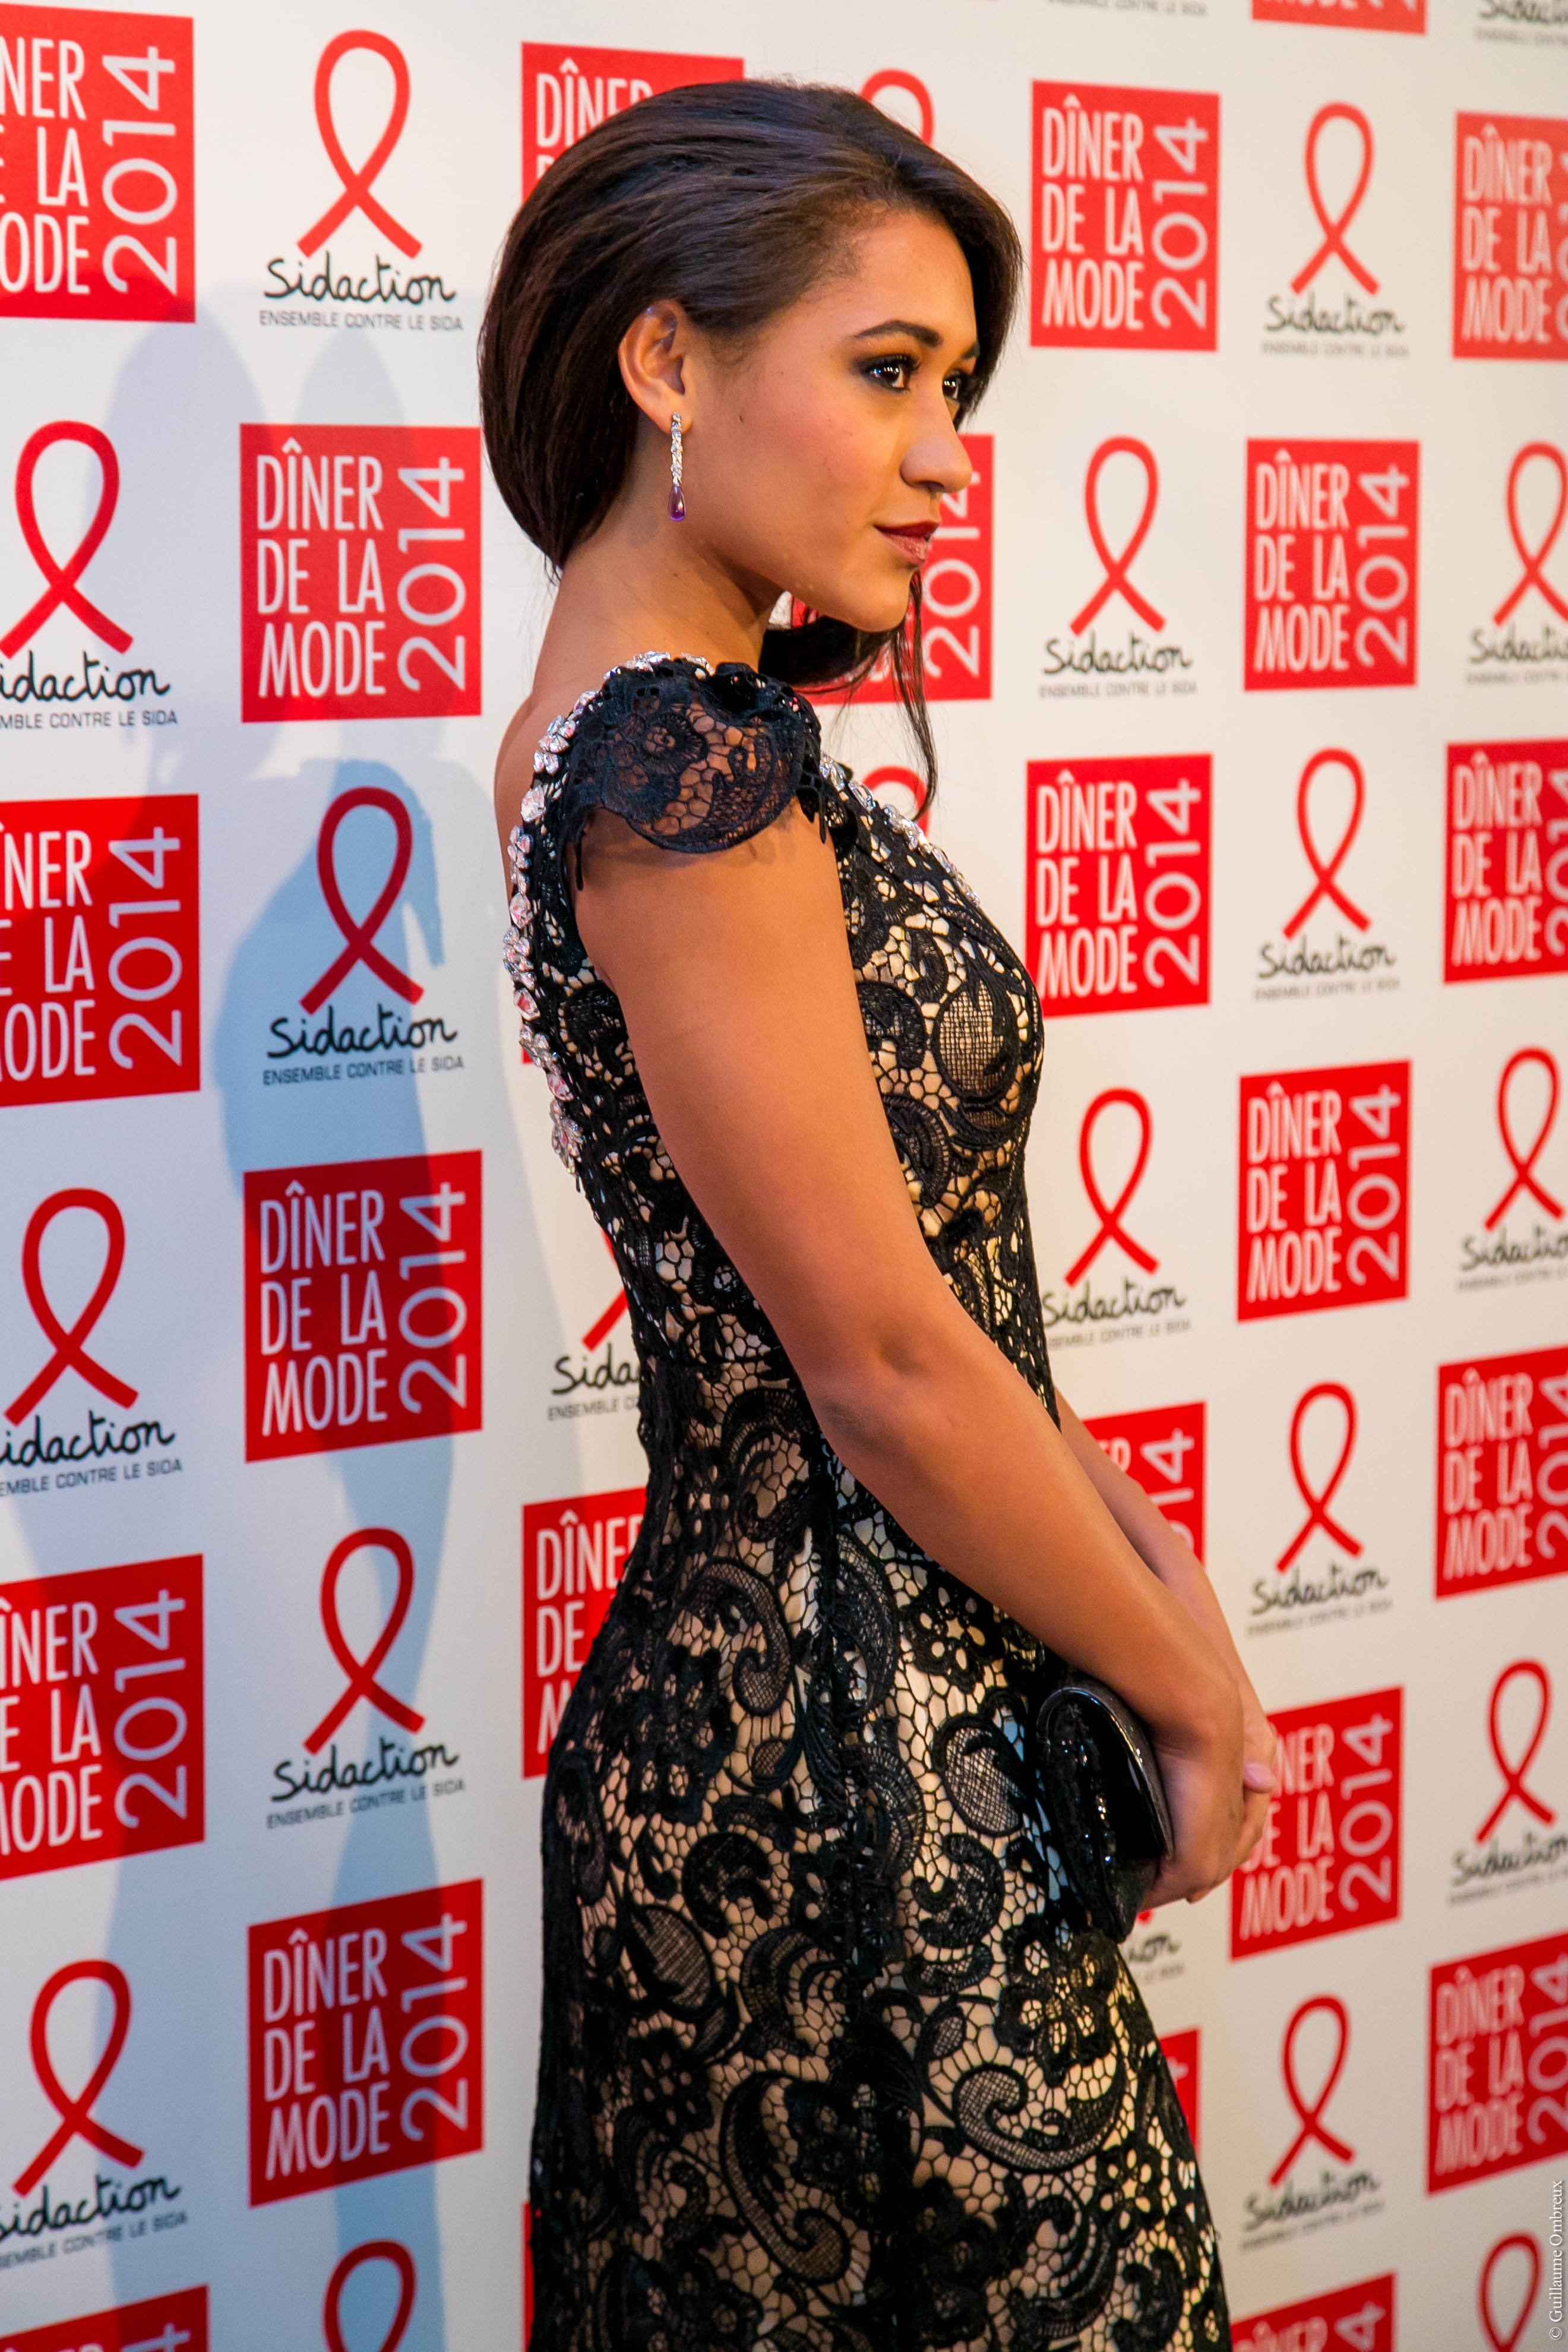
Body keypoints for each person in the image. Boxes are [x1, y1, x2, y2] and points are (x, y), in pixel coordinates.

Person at [482, 78, 1279, 2352]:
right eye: (890, 370)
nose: (945, 453)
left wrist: (1122, 1554)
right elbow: (886, 1366)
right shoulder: (680, 768)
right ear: (669, 361)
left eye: (959, 390)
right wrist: (1195, 1690)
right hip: (835, 1789)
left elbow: (929, 1305)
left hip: (826, 1726)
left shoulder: (636, 733)